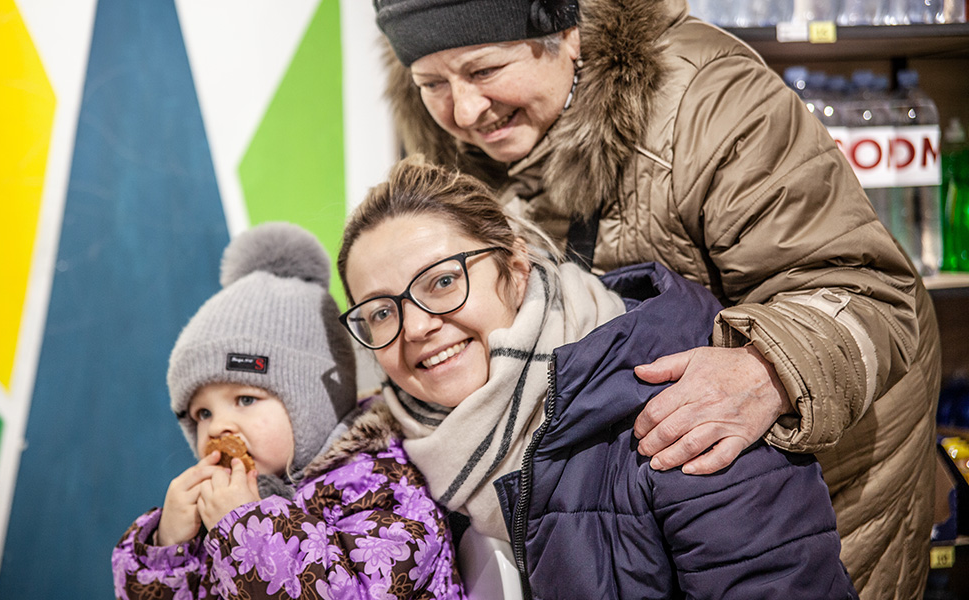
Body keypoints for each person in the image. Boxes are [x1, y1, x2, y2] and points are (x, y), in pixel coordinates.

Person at [371, 1, 941, 596]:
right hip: (629, 513)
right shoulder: (445, 142)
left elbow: (868, 290)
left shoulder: (706, 104)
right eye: (432, 82)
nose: (463, 110)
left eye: (485, 70)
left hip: (811, 489)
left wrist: (769, 366)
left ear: (566, 34)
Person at [336, 157, 858, 599]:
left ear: (514, 263)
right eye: (382, 312)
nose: (418, 326)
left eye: (444, 281)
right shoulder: (391, 462)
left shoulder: (687, 409)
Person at [112, 222, 465, 599]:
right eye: (202, 414)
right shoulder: (222, 513)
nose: (217, 428)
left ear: (310, 406)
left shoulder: (379, 484)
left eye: (245, 400)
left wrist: (247, 529)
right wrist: (169, 548)